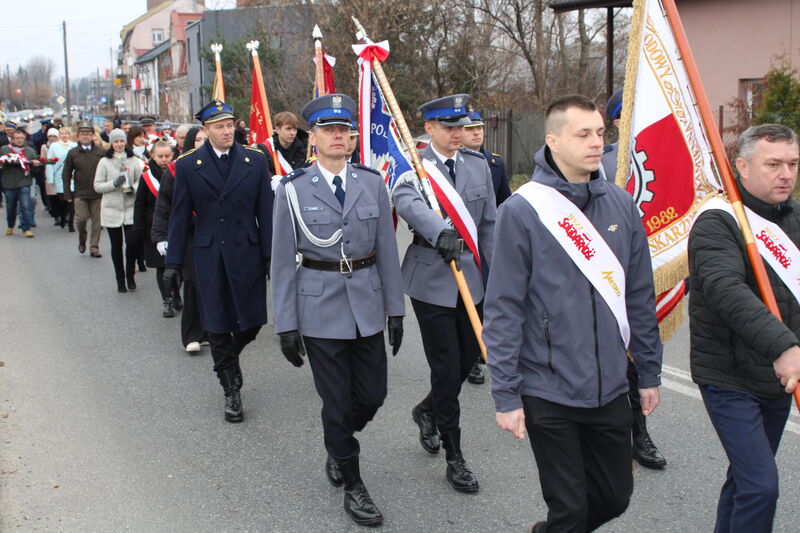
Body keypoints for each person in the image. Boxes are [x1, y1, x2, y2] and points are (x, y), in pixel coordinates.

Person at [485, 95, 662, 533]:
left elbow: (639, 294)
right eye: (583, 134)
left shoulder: (621, 205)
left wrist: (651, 373)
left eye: (601, 133)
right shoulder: (522, 212)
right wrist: (506, 395)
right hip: (548, 389)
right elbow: (503, 308)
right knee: (569, 509)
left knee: (614, 498)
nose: (595, 143)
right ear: (553, 141)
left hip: (609, 388)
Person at [272, 94, 405, 527]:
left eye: (344, 131)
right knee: (336, 400)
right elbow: (281, 260)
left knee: (372, 395)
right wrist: (286, 324)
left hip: (366, 304)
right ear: (314, 137)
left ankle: (338, 439)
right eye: (328, 130)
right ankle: (353, 482)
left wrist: (396, 310)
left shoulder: (372, 183)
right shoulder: (292, 190)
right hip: (319, 308)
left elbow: (386, 250)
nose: (337, 137)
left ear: (350, 138)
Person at [689, 124, 800, 533]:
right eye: (773, 164)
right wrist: (784, 347)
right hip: (729, 374)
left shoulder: (794, 217)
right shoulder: (717, 222)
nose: (785, 173)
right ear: (742, 166)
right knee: (761, 486)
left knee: (746, 480)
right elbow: (725, 289)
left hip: (778, 376)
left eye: (792, 164)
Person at [393, 94, 495, 493]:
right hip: (431, 281)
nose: (457, 133)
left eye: (461, 125)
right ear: (430, 129)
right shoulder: (415, 166)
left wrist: (498, 276)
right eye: (448, 126)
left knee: (469, 359)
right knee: (446, 367)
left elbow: (489, 225)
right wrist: (441, 232)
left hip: (473, 279)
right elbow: (407, 203)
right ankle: (455, 457)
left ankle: (426, 409)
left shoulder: (478, 165)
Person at [164, 101, 273, 422]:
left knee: (253, 322)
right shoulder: (188, 165)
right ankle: (231, 390)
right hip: (209, 255)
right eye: (219, 127)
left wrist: (271, 257)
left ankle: (227, 360)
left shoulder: (254, 160)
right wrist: (172, 263)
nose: (227, 132)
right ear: (206, 130)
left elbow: (265, 214)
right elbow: (180, 216)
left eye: (230, 126)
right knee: (217, 323)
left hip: (247, 252)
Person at [600, 87, 667, 470]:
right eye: (629, 114)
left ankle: (638, 430)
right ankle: (627, 431)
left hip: (651, 270)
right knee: (618, 360)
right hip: (607, 273)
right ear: (617, 120)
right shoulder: (602, 163)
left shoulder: (664, 158)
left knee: (642, 355)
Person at [461, 109, 512, 386]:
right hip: (463, 244)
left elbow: (505, 201)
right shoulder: (456, 165)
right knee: (469, 297)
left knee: (488, 299)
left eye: (479, 128)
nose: (476, 133)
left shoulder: (495, 163)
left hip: (488, 242)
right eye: (470, 129)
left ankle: (483, 347)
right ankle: (470, 360)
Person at [151, 127, 207, 353]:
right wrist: (160, 237)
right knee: (192, 284)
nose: (203, 143)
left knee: (212, 285)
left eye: (206, 139)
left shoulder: (220, 167)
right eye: (199, 139)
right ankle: (191, 335)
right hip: (188, 235)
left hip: (215, 235)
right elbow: (163, 207)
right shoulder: (175, 170)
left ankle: (210, 330)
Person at [94, 128, 143, 292]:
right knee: (116, 246)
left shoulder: (134, 160)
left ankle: (130, 275)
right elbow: (97, 186)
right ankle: (120, 278)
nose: (120, 144)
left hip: (130, 209)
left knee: (132, 243)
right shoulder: (104, 162)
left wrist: (133, 188)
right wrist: (114, 183)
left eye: (122, 141)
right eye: (116, 141)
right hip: (111, 210)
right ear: (111, 143)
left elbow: (141, 181)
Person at [134, 140, 175, 315]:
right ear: (153, 156)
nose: (164, 159)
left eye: (167, 156)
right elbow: (140, 204)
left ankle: (177, 294)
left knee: (178, 265)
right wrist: (138, 228)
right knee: (161, 266)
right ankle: (167, 299)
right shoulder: (147, 177)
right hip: (155, 227)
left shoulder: (178, 172)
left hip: (176, 226)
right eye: (160, 156)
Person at [63, 122, 105, 257]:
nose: (86, 136)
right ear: (78, 136)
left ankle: (94, 247)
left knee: (97, 222)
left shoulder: (100, 152)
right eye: (83, 134)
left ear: (93, 135)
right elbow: (66, 173)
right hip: (80, 192)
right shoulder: (73, 153)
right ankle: (82, 239)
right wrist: (67, 193)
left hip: (97, 193)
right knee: (81, 220)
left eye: (88, 134)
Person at [1, 128, 41, 237]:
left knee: (25, 205)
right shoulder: (5, 150)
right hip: (9, 184)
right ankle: (10, 225)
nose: (19, 140)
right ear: (12, 139)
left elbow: (36, 168)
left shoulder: (29, 151)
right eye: (17, 138)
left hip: (24, 182)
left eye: (22, 138)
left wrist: (35, 165)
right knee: (10, 207)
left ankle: (26, 228)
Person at [47, 127, 77, 232]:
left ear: (69, 134)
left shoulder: (75, 146)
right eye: (62, 133)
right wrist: (50, 178)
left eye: (66, 133)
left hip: (72, 175)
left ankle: (71, 223)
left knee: (71, 200)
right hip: (59, 175)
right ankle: (63, 216)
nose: (64, 135)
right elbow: (49, 162)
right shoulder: (54, 146)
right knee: (62, 199)